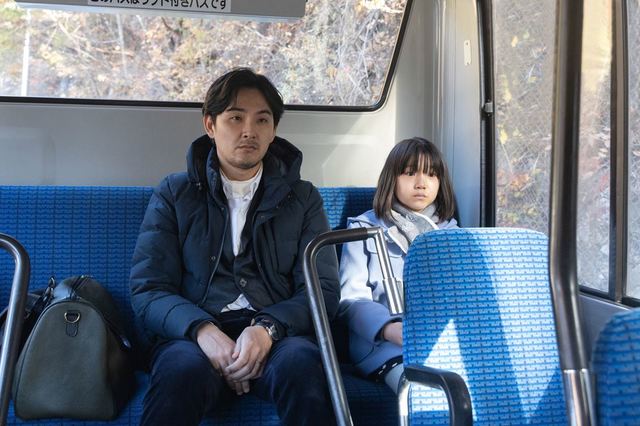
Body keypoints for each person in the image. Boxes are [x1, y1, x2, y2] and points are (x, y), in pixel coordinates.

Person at [129, 68, 340, 426]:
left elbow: (323, 290)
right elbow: (148, 288)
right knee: (180, 373)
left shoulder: (303, 198)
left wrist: (267, 328)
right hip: (193, 338)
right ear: (210, 125)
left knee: (303, 366)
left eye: (262, 120)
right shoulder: (175, 193)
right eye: (236, 118)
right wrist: (203, 331)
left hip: (277, 337)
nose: (249, 131)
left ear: (273, 131)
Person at [338, 137, 458, 393]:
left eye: (431, 174)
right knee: (421, 390)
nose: (421, 183)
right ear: (392, 179)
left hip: (439, 342)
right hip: (383, 345)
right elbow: (350, 300)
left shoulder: (451, 234)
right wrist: (388, 329)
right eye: (410, 173)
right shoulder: (362, 229)